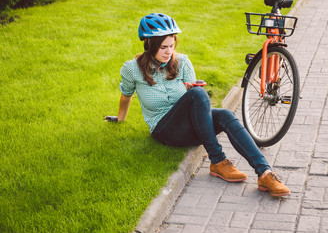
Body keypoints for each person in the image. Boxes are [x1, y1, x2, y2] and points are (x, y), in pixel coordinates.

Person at [105, 13, 290, 197]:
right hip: (165, 130)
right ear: (149, 45)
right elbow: (126, 95)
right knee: (197, 94)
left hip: (191, 127)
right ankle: (217, 160)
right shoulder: (132, 68)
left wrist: (189, 90)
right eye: (163, 47)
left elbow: (196, 105)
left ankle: (265, 173)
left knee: (225, 114)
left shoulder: (183, 62)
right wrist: (120, 119)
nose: (169, 52)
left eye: (171, 46)